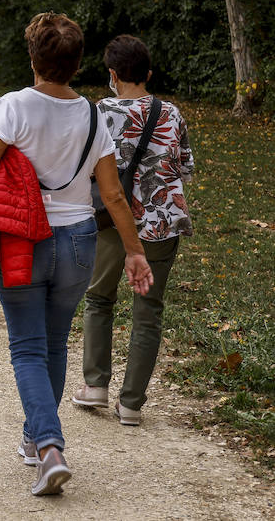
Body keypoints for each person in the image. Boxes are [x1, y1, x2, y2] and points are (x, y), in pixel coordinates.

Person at [0, 13, 153, 496]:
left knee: (27, 347)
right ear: (76, 64)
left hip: (22, 240)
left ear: (33, 58)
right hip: (78, 242)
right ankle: (34, 441)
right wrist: (134, 252)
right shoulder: (93, 115)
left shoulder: (12, 107)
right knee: (52, 343)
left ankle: (50, 447)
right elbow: (112, 195)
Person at [74, 35, 194, 425]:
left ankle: (95, 386)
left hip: (113, 221)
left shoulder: (98, 113)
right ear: (148, 73)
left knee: (98, 298)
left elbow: (84, 168)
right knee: (149, 310)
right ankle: (131, 405)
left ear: (112, 74)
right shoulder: (171, 113)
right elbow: (184, 167)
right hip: (162, 223)